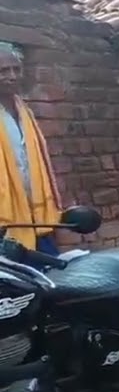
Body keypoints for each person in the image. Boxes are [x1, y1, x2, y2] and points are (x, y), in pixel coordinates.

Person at [0, 42, 63, 256]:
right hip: (5, 224)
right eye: (3, 71)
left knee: (51, 282)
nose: (12, 76)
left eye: (16, 70)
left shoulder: (25, 112)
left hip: (37, 219)